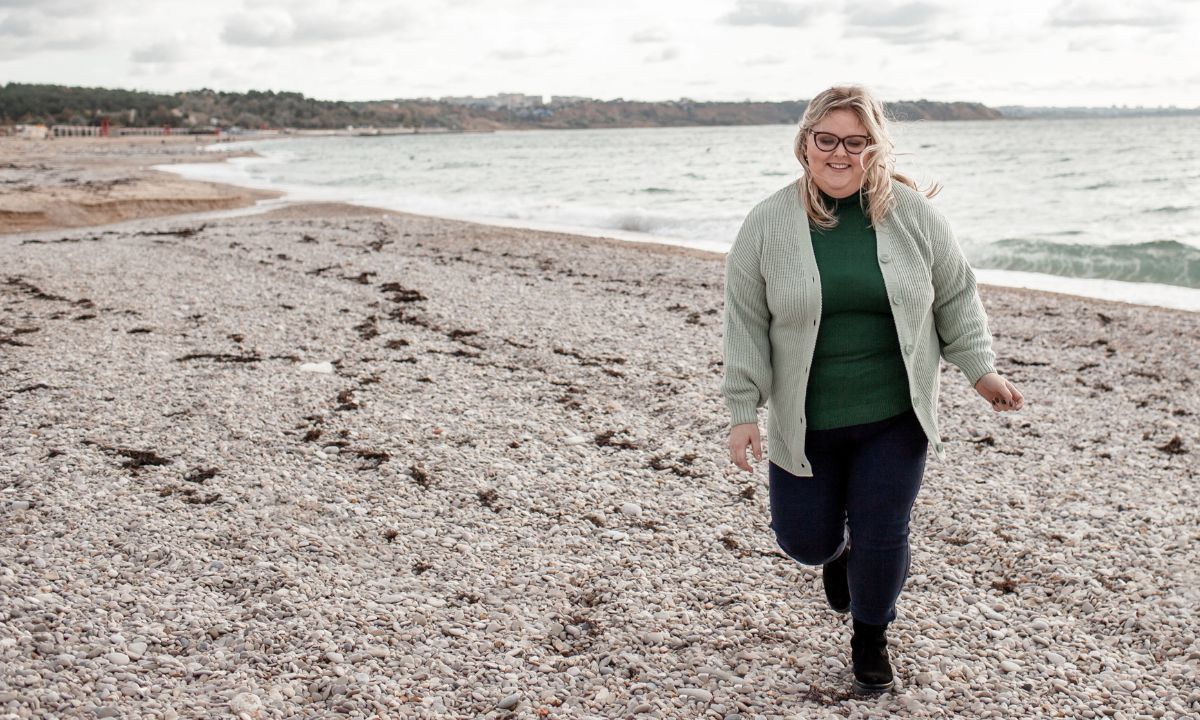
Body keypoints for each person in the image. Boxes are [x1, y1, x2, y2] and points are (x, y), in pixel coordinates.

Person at [720, 85, 1024, 694]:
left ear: (874, 149)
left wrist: (979, 369)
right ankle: (835, 557)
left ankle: (870, 638)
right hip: (806, 420)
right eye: (826, 139)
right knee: (803, 541)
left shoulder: (914, 218)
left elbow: (956, 295)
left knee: (884, 528)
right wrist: (742, 409)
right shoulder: (767, 222)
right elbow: (745, 319)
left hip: (895, 412)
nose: (839, 153)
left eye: (855, 142)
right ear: (804, 144)